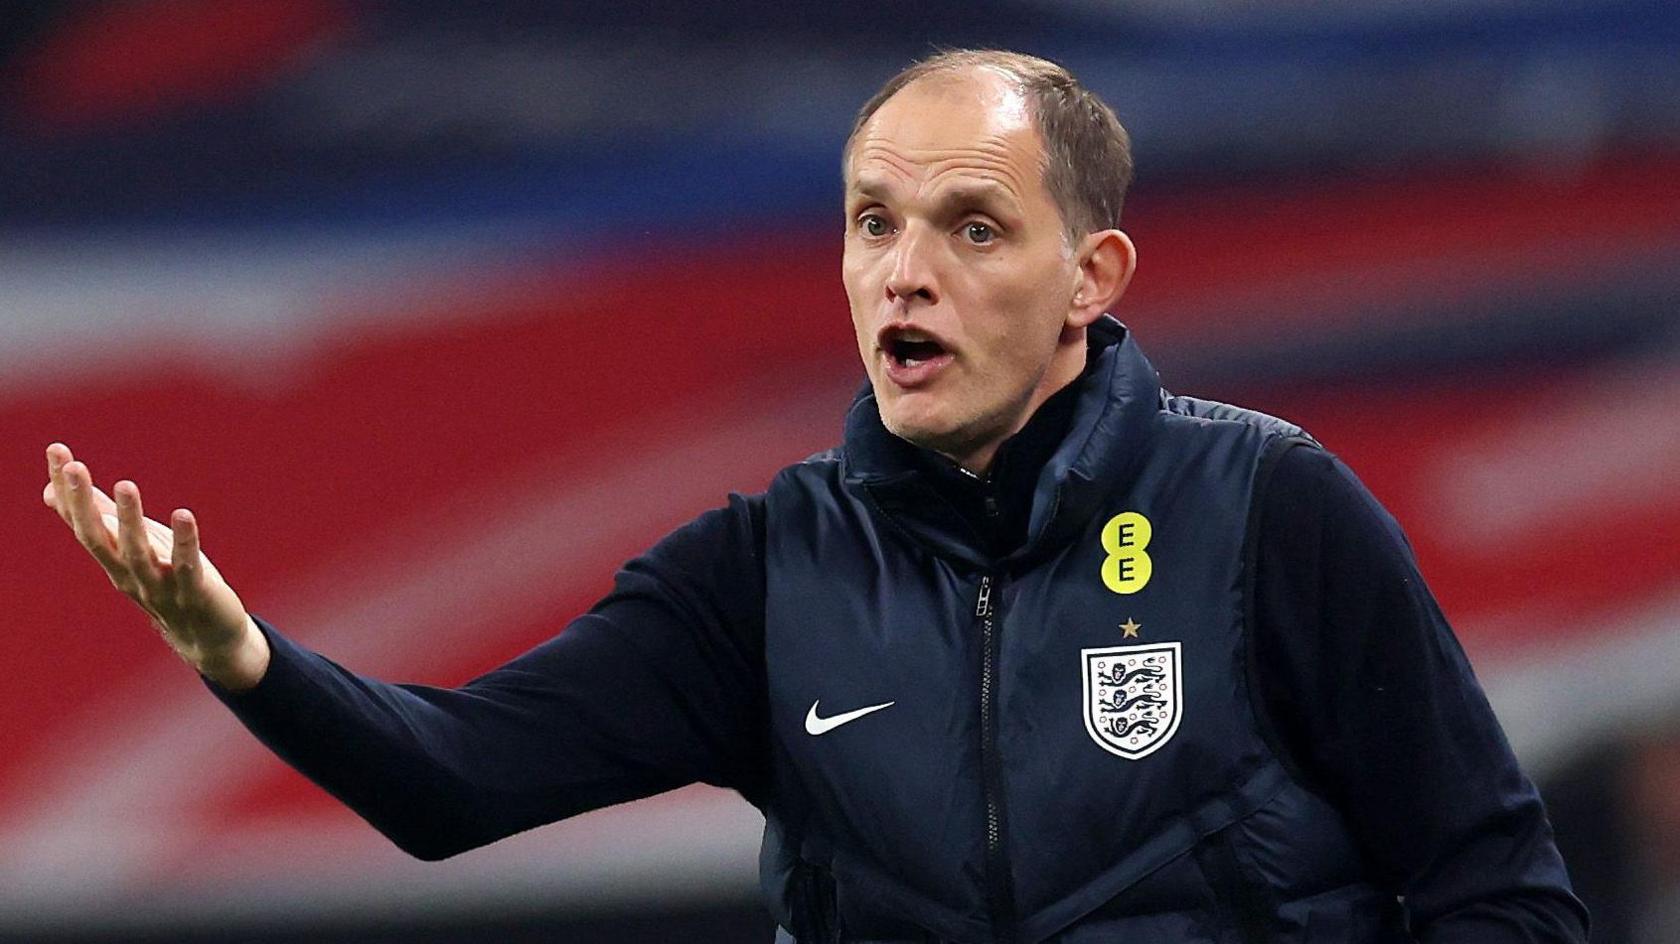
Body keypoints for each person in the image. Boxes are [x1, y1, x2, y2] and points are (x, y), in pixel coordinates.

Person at [41, 50, 1587, 943]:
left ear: (1089, 276)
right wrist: (243, 657)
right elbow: (449, 785)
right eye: (871, 222)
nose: (904, 269)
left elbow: (1497, 893)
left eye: (972, 227)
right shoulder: (765, 568)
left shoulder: (1267, 507)